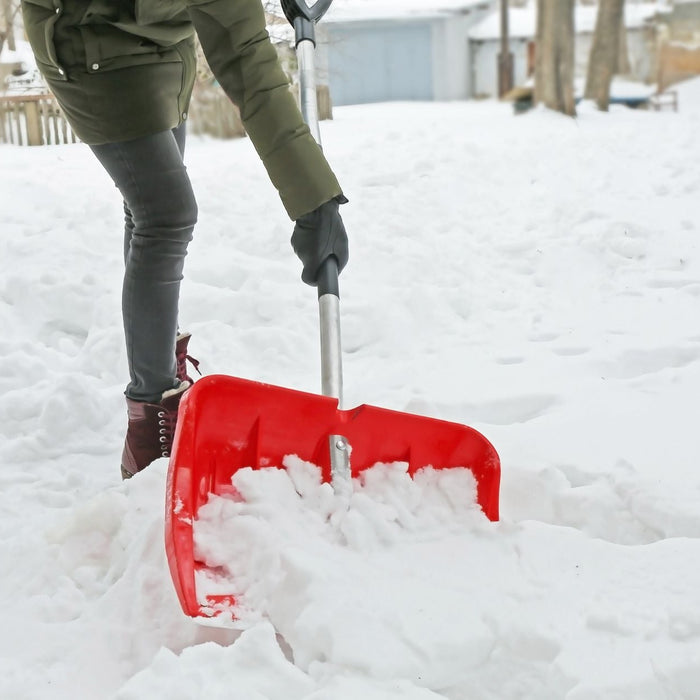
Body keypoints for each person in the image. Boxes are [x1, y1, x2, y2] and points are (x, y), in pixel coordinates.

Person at [21, 0, 349, 479]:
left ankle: (157, 367)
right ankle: (150, 416)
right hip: (85, 40)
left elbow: (248, 58)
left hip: (164, 46)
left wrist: (313, 199)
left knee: (149, 208)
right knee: (166, 213)